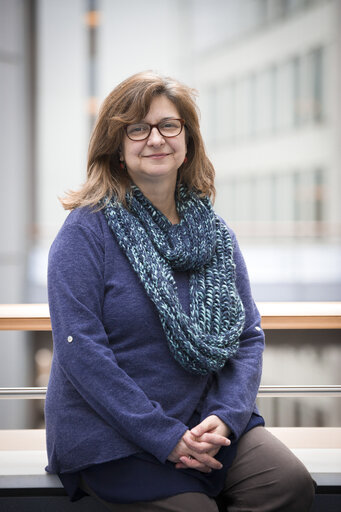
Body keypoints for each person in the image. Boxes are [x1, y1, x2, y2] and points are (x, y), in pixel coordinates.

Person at [45, 71, 315, 511]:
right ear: (116, 147)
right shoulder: (85, 232)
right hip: (111, 431)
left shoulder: (215, 235)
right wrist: (163, 436)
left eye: (169, 125)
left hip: (206, 421)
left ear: (187, 139)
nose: (155, 139)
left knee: (287, 484)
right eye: (137, 128)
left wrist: (225, 419)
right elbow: (81, 351)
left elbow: (246, 337)